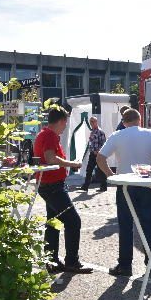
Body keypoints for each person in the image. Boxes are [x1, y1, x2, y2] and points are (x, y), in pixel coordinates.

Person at [97, 108, 151, 276]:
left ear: (124, 122)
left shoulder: (117, 135)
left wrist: (112, 176)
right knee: (149, 224)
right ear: (140, 120)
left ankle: (125, 265)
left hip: (125, 185)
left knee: (125, 225)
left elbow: (100, 158)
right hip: (148, 185)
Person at [34, 106, 92, 274]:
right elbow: (51, 158)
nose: (65, 126)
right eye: (65, 122)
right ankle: (71, 261)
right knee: (73, 221)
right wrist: (73, 164)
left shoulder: (43, 133)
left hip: (47, 184)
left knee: (54, 222)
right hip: (52, 185)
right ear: (60, 121)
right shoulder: (51, 135)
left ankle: (51, 260)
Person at [80, 116, 107, 192]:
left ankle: (104, 187)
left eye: (93, 121)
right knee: (89, 170)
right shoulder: (92, 131)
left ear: (96, 122)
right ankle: (85, 186)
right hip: (92, 154)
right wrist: (92, 150)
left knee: (101, 170)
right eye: (91, 121)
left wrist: (98, 151)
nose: (91, 123)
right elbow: (91, 143)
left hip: (99, 154)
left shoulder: (100, 132)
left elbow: (104, 144)